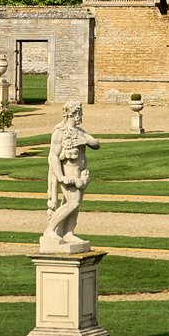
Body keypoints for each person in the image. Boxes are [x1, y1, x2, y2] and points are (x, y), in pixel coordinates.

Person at [42, 102, 98, 251]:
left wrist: (85, 140)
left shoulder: (80, 132)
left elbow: (96, 143)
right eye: (79, 112)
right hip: (69, 173)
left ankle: (68, 232)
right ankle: (50, 230)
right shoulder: (59, 132)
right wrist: (60, 176)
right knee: (73, 203)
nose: (81, 116)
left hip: (81, 172)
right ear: (73, 114)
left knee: (75, 205)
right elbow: (53, 157)